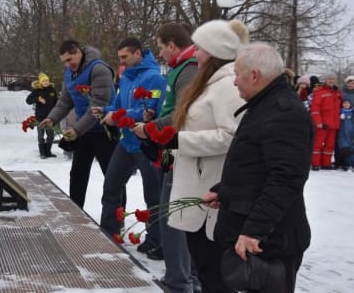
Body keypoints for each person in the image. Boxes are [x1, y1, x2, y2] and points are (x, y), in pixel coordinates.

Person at [203, 42, 313, 293]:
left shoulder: (284, 112)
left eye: (237, 75)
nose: (234, 83)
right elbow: (255, 167)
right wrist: (225, 191)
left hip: (272, 242)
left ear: (254, 75)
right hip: (259, 236)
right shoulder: (265, 105)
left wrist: (254, 232)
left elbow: (286, 180)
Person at [132, 22, 199, 292]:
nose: (160, 53)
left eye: (161, 48)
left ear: (172, 44)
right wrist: (155, 117)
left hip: (179, 148)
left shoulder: (189, 68)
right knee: (169, 208)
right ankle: (185, 277)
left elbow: (185, 114)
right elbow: (172, 108)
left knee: (172, 215)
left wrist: (149, 128)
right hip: (171, 148)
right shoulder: (179, 68)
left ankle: (180, 281)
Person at [92, 37, 165, 257]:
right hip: (126, 143)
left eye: (125, 57)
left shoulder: (154, 78)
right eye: (119, 57)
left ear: (138, 54)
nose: (121, 61)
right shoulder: (125, 77)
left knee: (153, 195)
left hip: (146, 144)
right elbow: (118, 105)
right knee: (111, 185)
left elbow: (149, 110)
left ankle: (156, 240)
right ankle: (110, 230)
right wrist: (106, 111)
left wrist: (118, 116)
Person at [38, 39, 119, 208]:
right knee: (77, 175)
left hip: (105, 130)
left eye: (69, 60)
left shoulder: (99, 69)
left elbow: (97, 106)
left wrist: (76, 130)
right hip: (84, 130)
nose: (68, 65)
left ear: (78, 52)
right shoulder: (70, 73)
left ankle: (116, 218)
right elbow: (65, 100)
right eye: (64, 62)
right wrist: (52, 118)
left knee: (112, 178)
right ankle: (75, 212)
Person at [310, 72, 342, 170]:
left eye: (332, 79)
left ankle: (326, 164)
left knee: (330, 145)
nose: (331, 80)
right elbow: (315, 109)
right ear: (325, 80)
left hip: (334, 124)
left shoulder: (337, 92)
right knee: (317, 144)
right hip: (323, 124)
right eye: (329, 79)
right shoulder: (320, 92)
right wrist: (318, 122)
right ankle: (315, 163)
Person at [26, 72, 58, 158]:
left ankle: (48, 152)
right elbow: (28, 100)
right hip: (40, 117)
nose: (46, 82)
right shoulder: (37, 91)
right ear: (40, 82)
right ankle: (42, 153)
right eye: (44, 81)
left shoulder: (52, 90)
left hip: (50, 117)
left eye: (47, 80)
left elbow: (57, 102)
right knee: (41, 136)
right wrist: (37, 99)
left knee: (50, 135)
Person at [337, 99, 354, 170]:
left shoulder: (352, 113)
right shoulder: (339, 112)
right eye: (344, 103)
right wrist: (339, 117)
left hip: (351, 135)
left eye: (348, 103)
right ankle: (346, 163)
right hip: (342, 135)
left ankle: (349, 164)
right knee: (344, 150)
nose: (346, 105)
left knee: (351, 150)